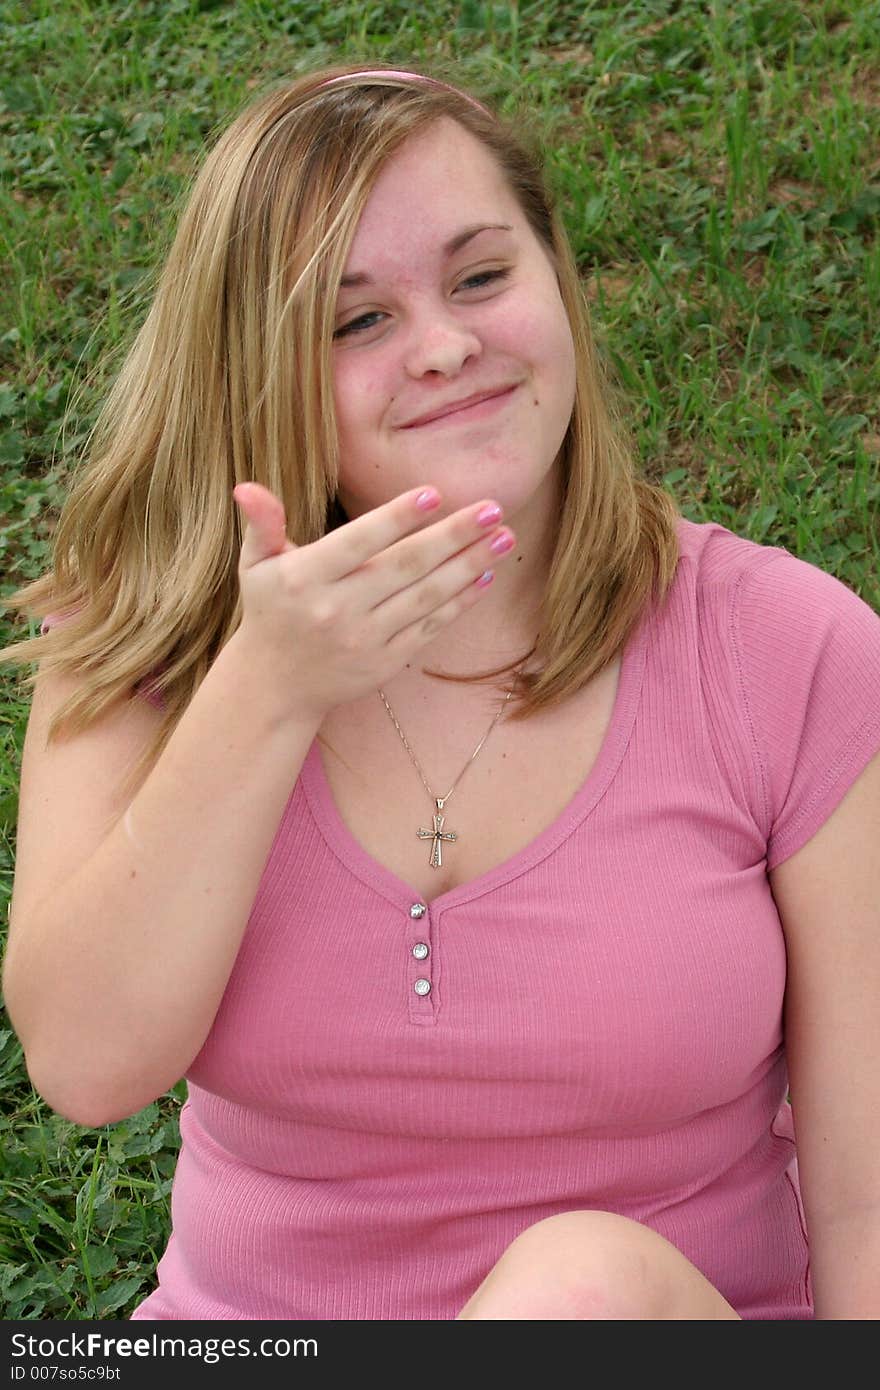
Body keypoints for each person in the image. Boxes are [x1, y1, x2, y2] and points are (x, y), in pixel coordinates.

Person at [2, 62, 879, 1323]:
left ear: (558, 280)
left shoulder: (784, 650)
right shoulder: (143, 634)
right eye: (357, 321)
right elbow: (85, 1065)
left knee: (575, 1290)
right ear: (258, 371)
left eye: (481, 276)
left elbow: (860, 1197)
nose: (450, 344)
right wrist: (267, 688)